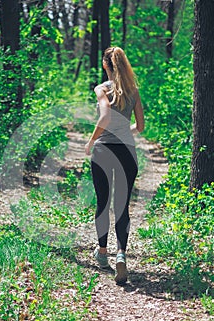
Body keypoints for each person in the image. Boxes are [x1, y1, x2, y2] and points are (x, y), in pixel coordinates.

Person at [85, 47, 144, 285]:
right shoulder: (133, 90)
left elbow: (105, 117)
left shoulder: (102, 89)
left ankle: (102, 252)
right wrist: (123, 133)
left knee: (103, 201)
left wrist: (91, 140)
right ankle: (121, 253)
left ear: (105, 65)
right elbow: (139, 126)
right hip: (126, 152)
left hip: (103, 151)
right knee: (122, 205)